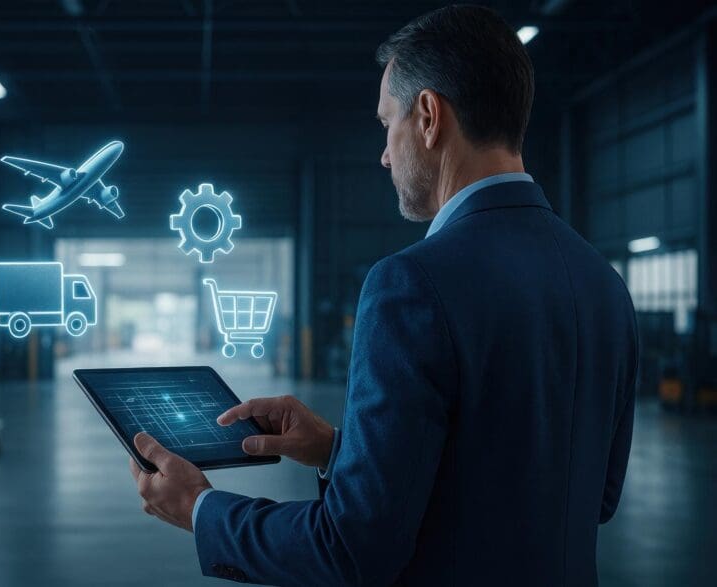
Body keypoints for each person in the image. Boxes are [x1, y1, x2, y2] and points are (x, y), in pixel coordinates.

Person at [127, 5, 638, 585]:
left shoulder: (412, 284)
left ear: (427, 117)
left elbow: (351, 549)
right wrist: (343, 451)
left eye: (385, 122)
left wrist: (201, 510)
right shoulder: (603, 283)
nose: (385, 155)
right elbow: (590, 497)